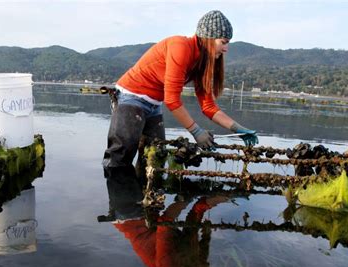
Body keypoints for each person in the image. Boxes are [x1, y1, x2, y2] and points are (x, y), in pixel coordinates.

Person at [103, 10, 259, 169]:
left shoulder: (202, 63)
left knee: (155, 157)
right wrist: (196, 132)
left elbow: (209, 107)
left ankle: (140, 191)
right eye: (223, 42)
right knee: (119, 158)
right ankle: (117, 191)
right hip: (131, 96)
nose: (226, 49)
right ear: (208, 38)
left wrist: (239, 129)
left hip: (154, 104)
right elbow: (172, 100)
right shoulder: (181, 46)